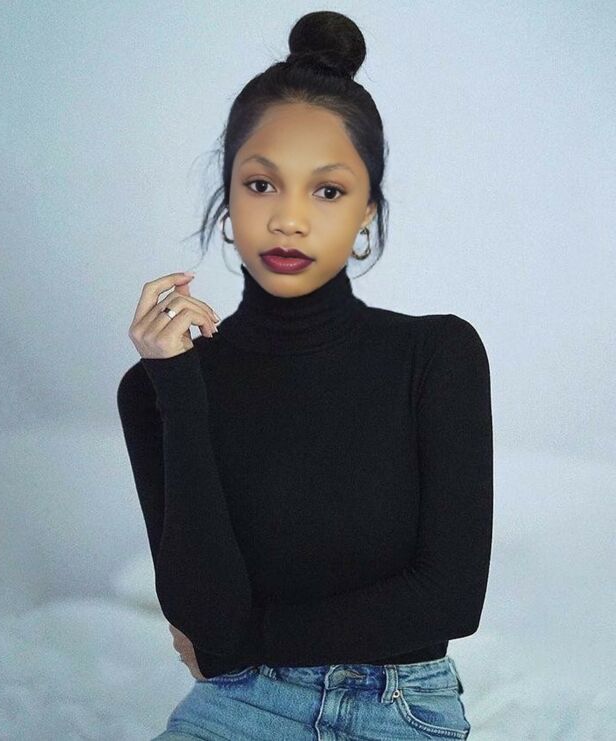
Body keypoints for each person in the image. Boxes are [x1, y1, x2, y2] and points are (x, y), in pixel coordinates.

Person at [116, 10, 493, 740]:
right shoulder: (158, 388)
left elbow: (450, 598)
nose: (289, 219)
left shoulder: (437, 355)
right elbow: (204, 620)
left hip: (401, 705)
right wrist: (178, 390)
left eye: (327, 191)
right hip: (240, 702)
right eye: (262, 184)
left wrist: (246, 637)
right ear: (229, 200)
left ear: (366, 211)